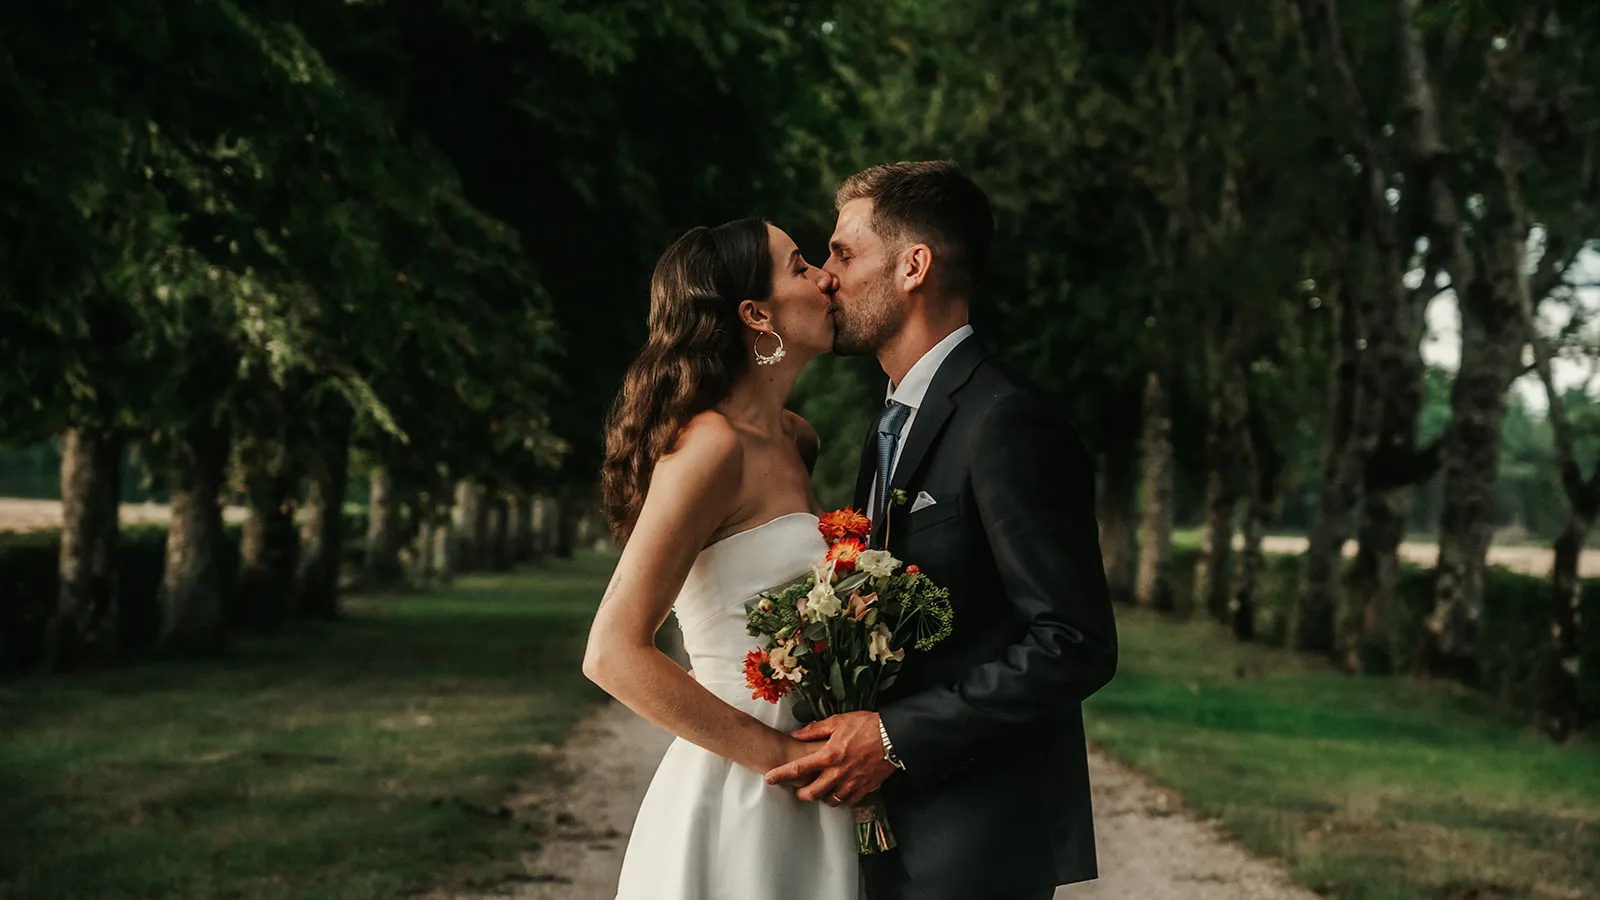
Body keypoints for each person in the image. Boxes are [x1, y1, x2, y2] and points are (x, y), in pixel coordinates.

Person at [762, 161, 1119, 900]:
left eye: (844, 253)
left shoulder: (1006, 420)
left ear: (914, 266)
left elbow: (1073, 643)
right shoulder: (890, 421)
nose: (827, 276)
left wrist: (895, 738)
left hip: (977, 841)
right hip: (895, 831)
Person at [583, 217, 863, 899]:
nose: (825, 276)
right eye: (800, 266)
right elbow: (611, 652)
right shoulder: (711, 446)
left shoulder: (797, 439)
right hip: (743, 778)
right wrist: (780, 758)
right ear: (755, 313)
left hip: (813, 765)